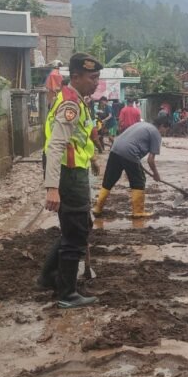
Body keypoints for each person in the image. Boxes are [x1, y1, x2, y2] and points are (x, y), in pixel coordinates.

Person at [38, 53, 102, 309]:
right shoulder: (71, 105)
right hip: (69, 174)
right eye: (92, 78)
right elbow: (55, 146)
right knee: (76, 232)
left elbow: (78, 138)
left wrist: (93, 158)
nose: (96, 83)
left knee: (77, 226)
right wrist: (52, 188)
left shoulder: (75, 100)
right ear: (76, 77)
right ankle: (67, 294)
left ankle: (48, 277)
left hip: (75, 170)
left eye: (97, 78)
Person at [92, 119, 167, 219]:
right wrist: (156, 174)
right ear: (162, 126)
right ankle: (138, 212)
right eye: (166, 129)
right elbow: (150, 160)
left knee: (109, 180)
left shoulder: (142, 124)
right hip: (130, 152)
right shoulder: (156, 133)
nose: (165, 132)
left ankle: (97, 208)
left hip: (115, 149)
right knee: (139, 181)